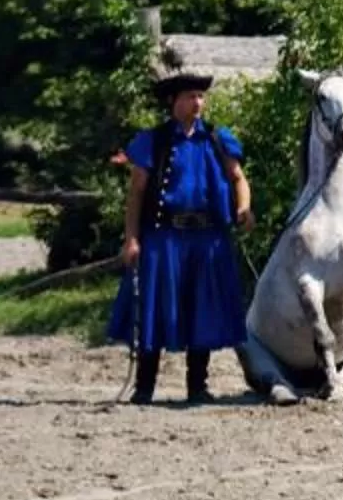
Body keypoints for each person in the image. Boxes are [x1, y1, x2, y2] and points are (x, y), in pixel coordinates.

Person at [107, 70, 252, 404]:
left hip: (208, 238)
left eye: (201, 96)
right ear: (173, 101)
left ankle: (197, 386)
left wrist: (243, 208)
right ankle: (144, 387)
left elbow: (238, 179)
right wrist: (132, 239)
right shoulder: (154, 141)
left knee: (202, 308)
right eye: (190, 96)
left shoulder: (217, 139)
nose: (198, 103)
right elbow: (136, 194)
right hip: (163, 238)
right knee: (155, 309)